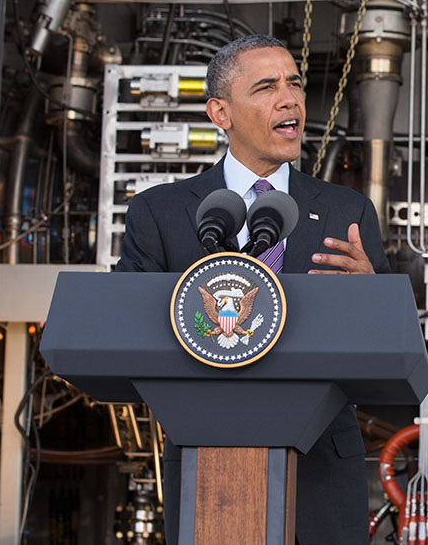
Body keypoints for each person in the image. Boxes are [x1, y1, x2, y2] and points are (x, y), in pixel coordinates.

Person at [115, 33, 388, 544]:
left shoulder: (346, 212)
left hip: (321, 477)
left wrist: (372, 298)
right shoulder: (161, 213)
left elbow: (390, 354)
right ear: (221, 113)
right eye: (266, 87)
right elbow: (124, 331)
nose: (290, 100)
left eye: (295, 84)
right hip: (208, 470)